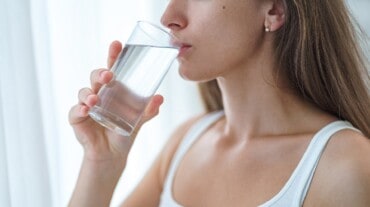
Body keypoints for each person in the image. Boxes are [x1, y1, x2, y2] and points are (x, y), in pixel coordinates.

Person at [68, 0, 370, 206]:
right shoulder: (184, 143)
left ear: (275, 10)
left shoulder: (345, 166)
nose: (169, 16)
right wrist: (101, 163)